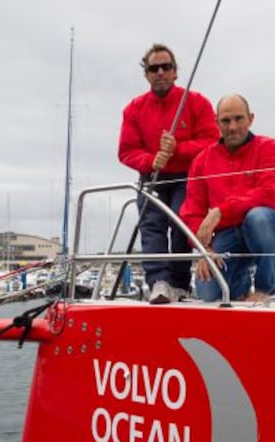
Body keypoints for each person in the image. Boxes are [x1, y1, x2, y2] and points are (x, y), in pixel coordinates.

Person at [118, 43, 219, 304]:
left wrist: (177, 149)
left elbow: (211, 142)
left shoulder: (196, 103)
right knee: (151, 227)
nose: (160, 72)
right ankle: (158, 283)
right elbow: (126, 151)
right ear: (146, 74)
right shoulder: (134, 109)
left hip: (187, 177)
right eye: (154, 68)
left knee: (182, 226)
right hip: (151, 177)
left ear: (175, 72)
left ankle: (180, 284)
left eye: (166, 67)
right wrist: (152, 160)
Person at [180, 93, 275, 303]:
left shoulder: (269, 148)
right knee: (208, 292)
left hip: (267, 230)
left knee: (259, 218)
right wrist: (206, 249)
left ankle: (266, 290)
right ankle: (241, 289)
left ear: (251, 118)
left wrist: (221, 211)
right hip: (229, 235)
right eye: (226, 120)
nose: (232, 127)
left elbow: (272, 193)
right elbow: (192, 212)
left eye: (239, 119)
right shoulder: (202, 161)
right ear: (216, 123)